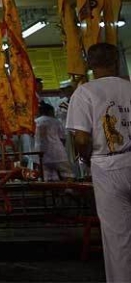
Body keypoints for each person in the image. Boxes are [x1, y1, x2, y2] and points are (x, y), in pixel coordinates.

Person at [67, 43, 131, 283]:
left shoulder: (85, 93)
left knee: (117, 237)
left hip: (106, 165)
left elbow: (81, 137)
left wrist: (84, 156)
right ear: (116, 60)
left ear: (89, 63)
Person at [34, 102, 74, 182]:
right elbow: (62, 138)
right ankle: (69, 191)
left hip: (40, 153)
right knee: (67, 173)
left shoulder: (35, 122)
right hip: (57, 151)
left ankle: (49, 193)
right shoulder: (56, 121)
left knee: (45, 176)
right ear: (49, 111)